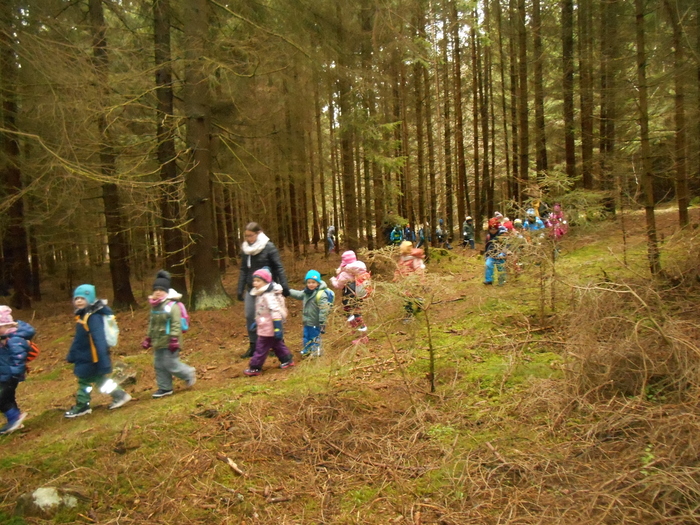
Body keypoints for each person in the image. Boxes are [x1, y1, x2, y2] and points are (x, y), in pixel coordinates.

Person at [65, 285, 131, 418]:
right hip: (84, 356)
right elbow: (79, 339)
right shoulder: (83, 315)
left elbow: (99, 339)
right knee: (100, 380)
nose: (79, 301)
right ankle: (120, 395)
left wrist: (103, 360)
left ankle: (82, 405)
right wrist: (72, 355)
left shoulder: (93, 317)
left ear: (90, 299)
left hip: (91, 358)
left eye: (82, 298)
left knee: (84, 382)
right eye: (76, 298)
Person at [237, 222, 290, 359]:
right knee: (250, 315)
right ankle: (254, 345)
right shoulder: (246, 249)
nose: (248, 238)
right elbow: (244, 269)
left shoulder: (268, 247)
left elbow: (278, 267)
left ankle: (277, 344)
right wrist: (240, 288)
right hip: (252, 287)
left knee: (272, 315)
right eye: (246, 236)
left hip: (268, 289)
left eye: (251, 235)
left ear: (258, 233)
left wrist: (284, 286)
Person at [141, 271, 196, 398]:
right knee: (159, 365)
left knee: (170, 363)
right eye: (156, 289)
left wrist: (174, 338)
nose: (158, 292)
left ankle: (188, 373)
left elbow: (176, 323)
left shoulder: (172, 305)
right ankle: (165, 387)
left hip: (170, 340)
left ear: (166, 291)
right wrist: (148, 338)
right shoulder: (154, 307)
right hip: (158, 341)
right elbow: (152, 324)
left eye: (161, 290)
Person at [244, 268, 295, 376]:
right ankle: (287, 359)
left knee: (261, 348)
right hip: (264, 325)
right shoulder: (261, 294)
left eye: (258, 281)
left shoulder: (269, 296)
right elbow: (262, 311)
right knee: (277, 344)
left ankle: (255, 367)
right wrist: (257, 322)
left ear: (266, 282)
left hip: (268, 327)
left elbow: (275, 311)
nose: (255, 283)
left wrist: (277, 327)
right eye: (254, 281)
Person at [0, 306, 35, 434]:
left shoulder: (14, 340)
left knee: (2, 398)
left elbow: (19, 357)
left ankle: (15, 417)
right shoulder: (4, 338)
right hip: (4, 374)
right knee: (8, 398)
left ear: (6, 326)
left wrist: (15, 373)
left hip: (10, 375)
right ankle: (15, 422)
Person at [289, 270, 331, 358]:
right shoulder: (306, 292)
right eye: (309, 282)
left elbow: (324, 309)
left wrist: (322, 322)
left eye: (313, 282)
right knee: (306, 336)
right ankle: (307, 350)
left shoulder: (321, 294)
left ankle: (316, 352)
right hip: (307, 321)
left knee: (314, 337)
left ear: (318, 283)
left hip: (316, 322)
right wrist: (288, 291)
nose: (311, 284)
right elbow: (298, 294)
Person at [331, 250, 369, 344]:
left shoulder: (345, 273)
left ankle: (362, 335)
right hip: (358, 295)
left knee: (352, 314)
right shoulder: (359, 269)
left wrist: (333, 280)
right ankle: (358, 330)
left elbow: (338, 285)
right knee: (356, 313)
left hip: (348, 297)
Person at [394, 241, 426, 319]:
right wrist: (396, 276)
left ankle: (413, 311)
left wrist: (417, 280)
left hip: (413, 281)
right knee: (406, 296)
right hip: (405, 281)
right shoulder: (403, 258)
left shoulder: (414, 259)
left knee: (412, 296)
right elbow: (399, 268)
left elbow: (418, 270)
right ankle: (409, 311)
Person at [483, 219, 508, 286]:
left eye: (494, 229)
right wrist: (486, 255)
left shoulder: (501, 236)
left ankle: (502, 281)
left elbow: (505, 246)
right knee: (488, 265)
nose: (493, 231)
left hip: (500, 255)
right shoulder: (488, 236)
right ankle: (489, 280)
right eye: (491, 229)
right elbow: (487, 246)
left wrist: (503, 254)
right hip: (491, 254)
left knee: (501, 268)